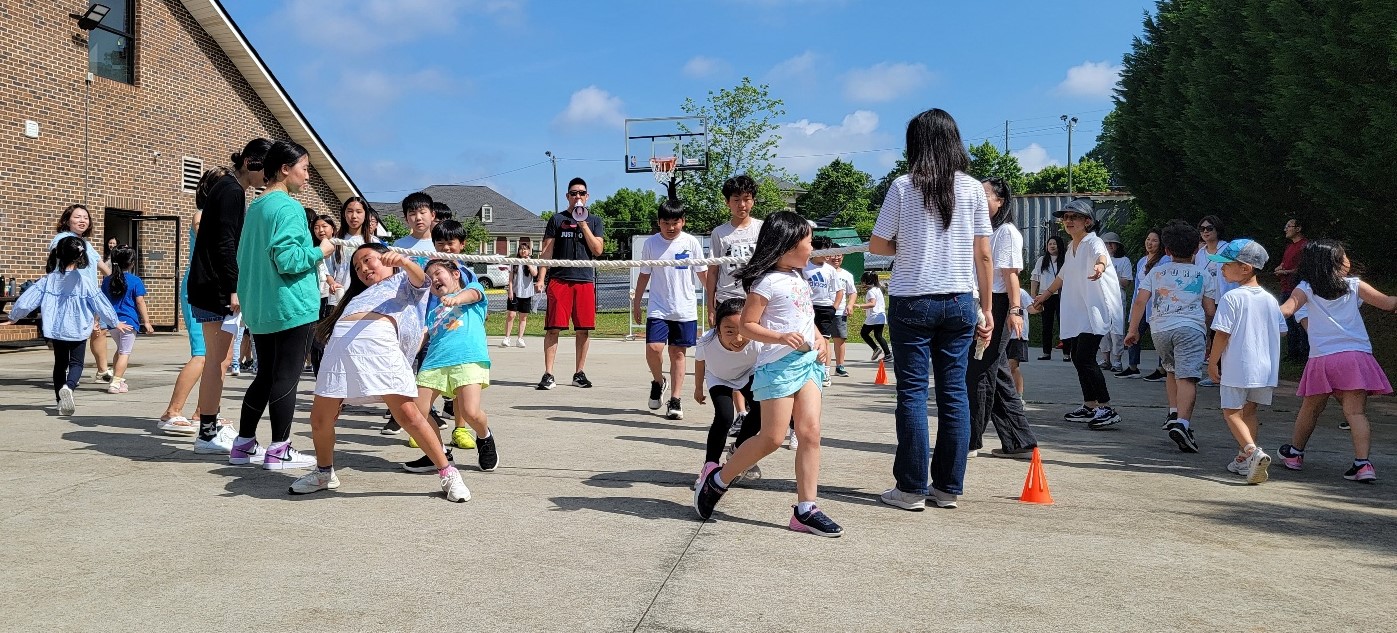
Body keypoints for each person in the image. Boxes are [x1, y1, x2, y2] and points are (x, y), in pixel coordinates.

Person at [869, 108, 993, 512]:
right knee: (954, 394)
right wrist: (985, 309)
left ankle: (909, 489)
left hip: (913, 298)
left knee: (913, 394)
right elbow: (984, 255)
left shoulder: (903, 187)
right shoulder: (974, 188)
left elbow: (877, 245)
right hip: (960, 300)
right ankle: (947, 487)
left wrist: (909, 245)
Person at [692, 211, 841, 537]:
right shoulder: (766, 282)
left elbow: (805, 315)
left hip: (808, 365)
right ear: (787, 245)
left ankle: (806, 509)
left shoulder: (799, 278)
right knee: (772, 438)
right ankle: (717, 481)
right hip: (777, 367)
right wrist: (779, 338)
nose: (812, 248)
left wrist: (818, 336)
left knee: (810, 432)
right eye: (807, 242)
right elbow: (747, 325)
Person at [289, 246, 471, 501]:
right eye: (357, 267)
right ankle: (324, 473)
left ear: (387, 259)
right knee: (319, 419)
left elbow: (422, 279)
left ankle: (448, 472)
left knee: (409, 415)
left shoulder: (403, 282)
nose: (363, 269)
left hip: (380, 347)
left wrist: (405, 263)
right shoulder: (356, 296)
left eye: (367, 260)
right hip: (339, 353)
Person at [231, 140, 337, 470]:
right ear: (285, 169)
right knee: (286, 378)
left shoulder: (257, 207)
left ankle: (244, 444)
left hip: (260, 306)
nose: (308, 177)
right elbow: (289, 259)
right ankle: (279, 450)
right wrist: (322, 250)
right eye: (305, 169)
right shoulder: (288, 207)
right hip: (291, 305)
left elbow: (244, 257)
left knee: (265, 376)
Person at [1277, 240, 1396, 482]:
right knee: (1356, 413)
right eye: (1343, 257)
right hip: (1356, 357)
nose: (1348, 261)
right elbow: (1388, 303)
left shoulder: (1306, 288)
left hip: (1323, 359)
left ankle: (1295, 454)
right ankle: (1363, 465)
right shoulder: (1353, 285)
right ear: (1334, 264)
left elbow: (1287, 310)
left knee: (1310, 409)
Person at [186, 138, 271, 455]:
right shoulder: (233, 190)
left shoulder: (227, 188)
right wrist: (235, 288)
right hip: (217, 289)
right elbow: (225, 244)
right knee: (217, 361)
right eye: (267, 170)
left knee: (218, 361)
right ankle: (206, 433)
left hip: (210, 286)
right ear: (251, 162)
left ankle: (208, 427)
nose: (268, 178)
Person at [4, 236, 125, 416]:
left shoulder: (48, 280)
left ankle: (60, 402)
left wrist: (14, 316)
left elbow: (27, 301)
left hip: (56, 330)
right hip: (78, 329)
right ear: (81, 257)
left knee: (60, 364)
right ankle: (69, 387)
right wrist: (114, 322)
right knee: (76, 363)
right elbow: (100, 303)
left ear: (59, 254)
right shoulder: (85, 282)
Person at [1031, 199, 1124, 430]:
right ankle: (1090, 405)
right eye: (1066, 218)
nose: (1068, 221)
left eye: (1074, 217)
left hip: (1095, 312)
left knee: (1085, 358)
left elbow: (1102, 257)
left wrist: (1100, 268)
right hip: (1078, 313)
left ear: (1088, 221)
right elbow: (1061, 277)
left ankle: (1107, 408)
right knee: (1078, 358)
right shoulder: (1071, 249)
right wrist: (1044, 295)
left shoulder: (1094, 242)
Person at [1125, 221, 1215, 452]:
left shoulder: (1156, 271)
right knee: (1188, 378)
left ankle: (1173, 411)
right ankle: (1183, 424)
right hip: (1190, 329)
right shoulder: (1203, 274)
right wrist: (1209, 335)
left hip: (1160, 330)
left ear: (1167, 250)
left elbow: (1139, 300)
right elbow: (1209, 310)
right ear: (1196, 249)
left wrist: (1133, 330)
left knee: (1171, 369)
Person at [403, 259, 498, 475]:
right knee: (415, 411)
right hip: (434, 364)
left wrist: (455, 300)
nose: (434, 279)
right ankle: (437, 452)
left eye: (438, 273)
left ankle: (484, 436)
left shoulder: (472, 292)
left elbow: (471, 295)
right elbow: (422, 337)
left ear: (455, 274)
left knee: (470, 412)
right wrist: (405, 357)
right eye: (430, 278)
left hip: (468, 358)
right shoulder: (432, 312)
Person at [966, 177, 1037, 459]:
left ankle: (970, 439)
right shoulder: (980, 230)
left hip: (997, 304)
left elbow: (1011, 275)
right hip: (982, 302)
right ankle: (1019, 440)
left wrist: (1015, 311)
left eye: (984, 195)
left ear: (1000, 201)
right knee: (999, 374)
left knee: (979, 371)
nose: (978, 200)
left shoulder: (1006, 232)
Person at [1205, 239, 1285, 484]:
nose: (1222, 269)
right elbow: (1281, 331)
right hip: (1265, 368)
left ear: (1246, 268)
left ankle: (1252, 452)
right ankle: (1242, 458)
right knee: (1250, 411)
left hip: (1238, 365)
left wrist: (1212, 361)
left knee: (1231, 413)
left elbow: (1222, 333)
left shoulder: (1232, 297)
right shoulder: (1270, 299)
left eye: (1227, 265)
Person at [633, 197, 708, 420]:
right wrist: (637, 302)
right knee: (654, 348)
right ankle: (658, 381)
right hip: (658, 306)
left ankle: (675, 399)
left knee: (678, 353)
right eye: (666, 223)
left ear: (683, 221)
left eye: (675, 222)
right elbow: (644, 274)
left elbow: (702, 274)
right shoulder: (651, 244)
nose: (671, 227)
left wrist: (713, 300)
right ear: (659, 223)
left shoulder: (691, 243)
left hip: (684, 308)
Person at [704, 174, 763, 436]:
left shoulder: (762, 228)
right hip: (727, 299)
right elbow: (713, 272)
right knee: (731, 350)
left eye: (747, 199)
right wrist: (710, 306)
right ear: (728, 202)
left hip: (755, 298)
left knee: (756, 351)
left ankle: (764, 409)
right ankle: (739, 413)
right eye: (736, 200)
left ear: (753, 201)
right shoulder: (720, 233)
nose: (742, 204)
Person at [535, 177, 604, 390]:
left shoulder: (594, 221)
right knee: (553, 328)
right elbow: (547, 252)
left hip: (583, 280)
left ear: (587, 196)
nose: (578, 196)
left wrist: (583, 224)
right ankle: (548, 374)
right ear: (567, 196)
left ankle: (579, 373)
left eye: (581, 193)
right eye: (574, 193)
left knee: (583, 330)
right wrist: (540, 278)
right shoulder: (556, 220)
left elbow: (598, 250)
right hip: (559, 280)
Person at [692, 297, 763, 487]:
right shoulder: (707, 342)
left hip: (748, 373)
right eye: (729, 331)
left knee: (762, 410)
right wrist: (698, 387)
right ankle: (709, 467)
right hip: (719, 377)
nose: (738, 339)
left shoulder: (759, 341)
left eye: (743, 331)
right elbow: (700, 362)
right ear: (718, 330)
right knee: (724, 417)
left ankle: (738, 450)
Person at [49, 204, 113, 382]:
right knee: (78, 334)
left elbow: (100, 264)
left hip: (89, 294)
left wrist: (115, 280)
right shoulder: (63, 239)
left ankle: (102, 370)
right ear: (67, 220)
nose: (82, 220)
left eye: (85, 217)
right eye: (77, 217)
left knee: (99, 331)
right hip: (74, 296)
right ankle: (70, 376)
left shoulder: (86, 243)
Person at [99, 245, 154, 394]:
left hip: (113, 322)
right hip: (129, 322)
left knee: (120, 350)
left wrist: (97, 320)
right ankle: (115, 382)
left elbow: (101, 301)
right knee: (125, 352)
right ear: (132, 263)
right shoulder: (135, 280)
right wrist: (147, 322)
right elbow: (140, 301)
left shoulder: (107, 280)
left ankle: (118, 379)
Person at [1118, 228, 1169, 379]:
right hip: (1141, 304)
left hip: (1156, 304)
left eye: (1154, 240)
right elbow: (1137, 288)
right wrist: (1134, 307)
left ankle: (1162, 369)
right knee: (1133, 332)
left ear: (1160, 243)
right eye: (1148, 239)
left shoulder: (1165, 260)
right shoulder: (1142, 261)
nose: (1150, 243)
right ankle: (1133, 366)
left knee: (1158, 336)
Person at [1195, 214, 1234, 387]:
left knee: (1227, 334)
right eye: (1202, 229)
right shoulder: (1200, 254)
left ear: (1217, 229)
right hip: (1208, 299)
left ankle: (1229, 372)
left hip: (1226, 298)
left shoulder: (1227, 249)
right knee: (1213, 334)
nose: (1205, 232)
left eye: (1209, 228)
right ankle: (1216, 373)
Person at [804, 236, 843, 387]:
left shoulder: (830, 270)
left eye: (831, 251)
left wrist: (834, 308)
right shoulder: (804, 266)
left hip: (825, 308)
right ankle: (808, 369)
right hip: (808, 307)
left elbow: (839, 291)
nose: (829, 254)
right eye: (825, 251)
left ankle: (825, 371)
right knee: (807, 339)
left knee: (825, 340)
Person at [1275, 218, 1309, 361]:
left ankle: (1304, 353)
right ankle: (1292, 353)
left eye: (1289, 226)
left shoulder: (1305, 246)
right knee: (1288, 322)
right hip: (1286, 287)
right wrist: (1279, 268)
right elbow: (1284, 263)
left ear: (1298, 228)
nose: (1286, 229)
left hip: (1298, 289)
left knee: (1300, 322)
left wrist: (1286, 272)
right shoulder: (1290, 247)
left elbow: (1303, 269)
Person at [1099, 232, 1133, 372]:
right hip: (1101, 299)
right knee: (1102, 331)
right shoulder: (1099, 260)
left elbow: (1126, 282)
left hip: (1117, 300)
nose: (1109, 246)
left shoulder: (1124, 261)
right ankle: (1105, 359)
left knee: (1117, 331)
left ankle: (1117, 361)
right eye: (1106, 244)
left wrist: (1110, 276)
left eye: (1112, 243)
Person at [1031, 235, 1065, 361]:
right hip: (1045, 296)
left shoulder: (1065, 259)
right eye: (1049, 244)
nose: (1052, 246)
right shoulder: (1042, 260)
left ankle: (1067, 353)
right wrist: (1033, 295)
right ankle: (1046, 352)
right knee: (1046, 325)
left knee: (1064, 324)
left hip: (1062, 295)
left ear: (1059, 245)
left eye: (1054, 244)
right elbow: (1035, 278)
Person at [502, 242, 537, 348]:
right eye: (521, 249)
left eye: (525, 249)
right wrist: (510, 290)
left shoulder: (532, 261)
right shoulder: (514, 262)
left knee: (523, 317)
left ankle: (520, 339)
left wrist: (528, 263)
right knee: (511, 315)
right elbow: (511, 278)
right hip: (515, 292)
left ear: (529, 251)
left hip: (527, 293)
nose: (523, 251)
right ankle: (507, 338)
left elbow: (535, 274)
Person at [830, 253, 857, 377]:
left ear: (843, 257)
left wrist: (850, 305)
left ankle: (839, 366)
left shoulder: (847, 275)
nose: (836, 258)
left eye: (839, 255)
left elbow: (852, 292)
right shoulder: (822, 271)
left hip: (839, 311)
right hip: (821, 310)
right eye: (833, 255)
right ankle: (820, 367)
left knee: (839, 339)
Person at [856, 270, 890, 361]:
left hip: (874, 316)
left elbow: (872, 304)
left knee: (864, 333)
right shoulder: (878, 289)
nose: (862, 283)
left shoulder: (870, 291)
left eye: (863, 281)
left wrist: (859, 306)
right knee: (878, 335)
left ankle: (876, 349)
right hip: (881, 316)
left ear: (867, 281)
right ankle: (888, 354)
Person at [1009, 287, 1033, 395]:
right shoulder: (996, 291)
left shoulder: (1020, 292)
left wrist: (1040, 303)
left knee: (1013, 366)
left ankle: (1018, 397)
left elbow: (1032, 308)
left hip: (1017, 335)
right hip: (1002, 336)